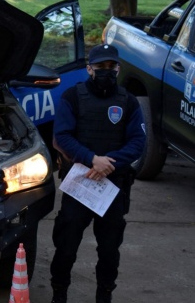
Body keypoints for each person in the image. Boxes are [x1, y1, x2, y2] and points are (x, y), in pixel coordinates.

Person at [49, 44, 146, 303]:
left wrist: (107, 164)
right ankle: (59, 294)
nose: (105, 71)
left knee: (109, 249)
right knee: (66, 246)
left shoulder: (128, 101)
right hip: (80, 182)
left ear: (118, 68)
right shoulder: (72, 96)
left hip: (113, 186)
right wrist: (92, 160)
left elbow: (138, 142)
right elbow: (62, 137)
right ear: (88, 68)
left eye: (110, 67)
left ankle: (104, 296)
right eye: (100, 67)